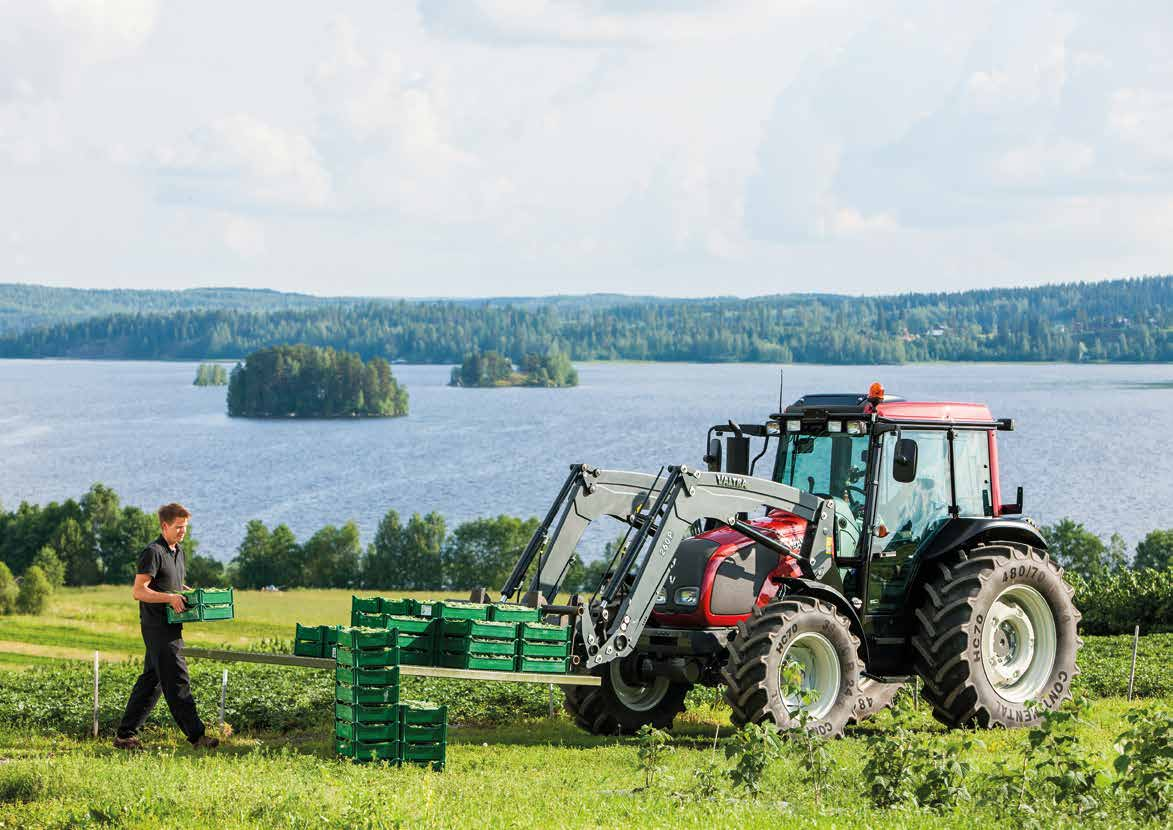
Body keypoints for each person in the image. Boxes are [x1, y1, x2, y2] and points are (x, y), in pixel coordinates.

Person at [113, 503, 219, 750]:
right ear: (164, 526)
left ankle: (125, 736)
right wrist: (170, 599)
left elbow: (171, 584)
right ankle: (197, 736)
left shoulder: (178, 551)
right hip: (157, 626)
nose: (183, 531)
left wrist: (189, 593)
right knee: (177, 678)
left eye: (185, 527)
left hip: (173, 624)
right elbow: (139, 591)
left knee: (152, 680)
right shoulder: (153, 552)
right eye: (178, 527)